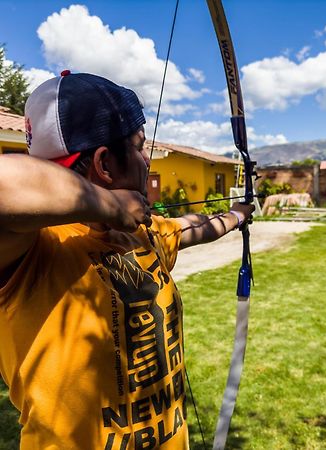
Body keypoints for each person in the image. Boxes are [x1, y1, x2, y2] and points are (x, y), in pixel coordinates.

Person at [0, 71, 254, 449]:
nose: (147, 157)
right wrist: (112, 204)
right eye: (139, 145)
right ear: (104, 164)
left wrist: (238, 214)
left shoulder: (140, 233)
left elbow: (195, 227)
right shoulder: (31, 250)